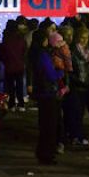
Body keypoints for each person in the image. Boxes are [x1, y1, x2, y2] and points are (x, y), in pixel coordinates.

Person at [30, 29, 63, 164]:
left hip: (42, 92)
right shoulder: (43, 55)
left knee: (45, 125)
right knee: (49, 126)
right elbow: (51, 75)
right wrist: (60, 72)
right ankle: (46, 154)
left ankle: (43, 152)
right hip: (47, 94)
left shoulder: (35, 53)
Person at [67, 25, 89, 146]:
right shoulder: (73, 51)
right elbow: (70, 70)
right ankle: (76, 136)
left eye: (86, 38)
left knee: (80, 112)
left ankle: (76, 135)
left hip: (85, 86)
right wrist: (76, 80)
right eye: (82, 37)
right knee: (75, 112)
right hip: (76, 85)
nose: (84, 40)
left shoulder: (88, 52)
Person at [0, 21, 27, 111]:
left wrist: (5, 62)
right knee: (20, 85)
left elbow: (3, 53)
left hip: (9, 66)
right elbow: (24, 51)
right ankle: (21, 104)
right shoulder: (21, 38)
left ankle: (11, 104)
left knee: (10, 86)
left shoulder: (6, 38)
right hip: (19, 65)